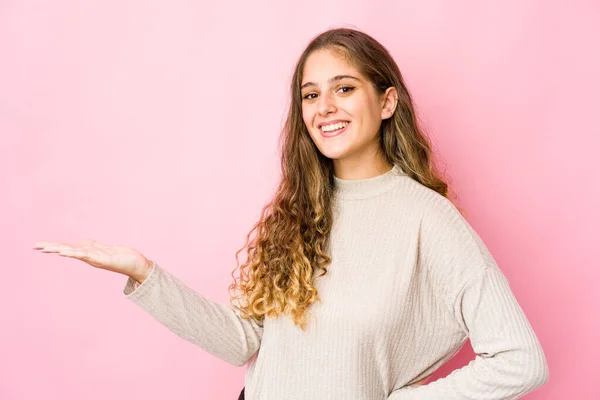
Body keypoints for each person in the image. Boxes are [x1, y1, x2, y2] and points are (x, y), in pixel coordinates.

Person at [33, 27, 549, 399]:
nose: (324, 106)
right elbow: (244, 342)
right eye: (310, 94)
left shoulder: (428, 220)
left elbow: (520, 360)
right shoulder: (297, 212)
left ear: (387, 101)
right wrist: (144, 273)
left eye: (344, 88)